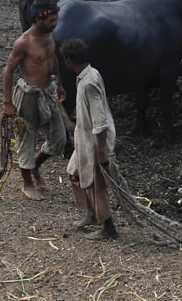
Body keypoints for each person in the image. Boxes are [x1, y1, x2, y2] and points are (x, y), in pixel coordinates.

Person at [1, 0, 67, 201]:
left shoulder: (50, 35)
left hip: (48, 91)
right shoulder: (24, 42)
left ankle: (36, 165)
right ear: (39, 19)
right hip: (29, 95)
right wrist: (8, 103)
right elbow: (8, 70)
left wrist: (60, 84)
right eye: (51, 21)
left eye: (56, 19)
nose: (55, 23)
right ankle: (27, 183)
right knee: (26, 139)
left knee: (59, 139)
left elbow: (53, 58)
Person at [61, 38, 118, 240]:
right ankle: (92, 214)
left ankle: (108, 228)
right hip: (84, 139)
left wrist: (101, 151)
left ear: (69, 61)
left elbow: (100, 120)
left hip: (95, 142)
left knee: (96, 184)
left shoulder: (89, 83)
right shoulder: (88, 76)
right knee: (74, 173)